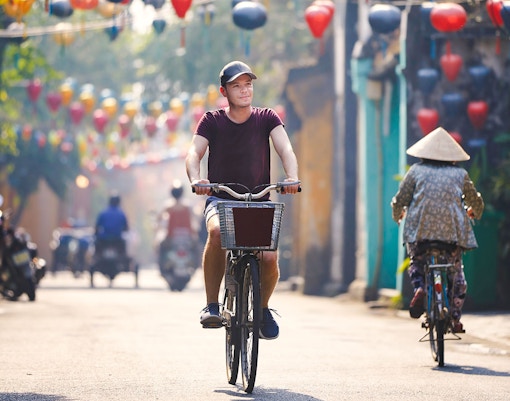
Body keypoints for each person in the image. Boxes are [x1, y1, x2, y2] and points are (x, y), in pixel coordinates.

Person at [185, 60, 300, 339]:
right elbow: (194, 153)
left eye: (248, 85)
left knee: (269, 257)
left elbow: (285, 147)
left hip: (259, 200)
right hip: (221, 200)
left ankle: (262, 310)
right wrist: (196, 180)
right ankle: (212, 304)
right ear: (224, 92)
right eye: (237, 86)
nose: (244, 90)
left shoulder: (267, 118)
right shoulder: (212, 121)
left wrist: (291, 177)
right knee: (216, 233)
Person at [391, 127, 484, 333]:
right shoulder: (460, 174)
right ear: (453, 157)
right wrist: (474, 213)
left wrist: (398, 214)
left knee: (417, 262)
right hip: (451, 235)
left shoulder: (416, 171)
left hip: (420, 232)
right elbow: (475, 201)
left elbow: (401, 199)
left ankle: (421, 288)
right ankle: (455, 317)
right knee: (456, 276)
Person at [158, 180, 198, 265]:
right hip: (188, 236)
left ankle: (162, 265)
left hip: (171, 236)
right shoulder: (188, 205)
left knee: (160, 245)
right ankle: (198, 264)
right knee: (197, 246)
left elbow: (160, 219)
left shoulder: (168, 205)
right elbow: (194, 219)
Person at [95, 192, 129, 258]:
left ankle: (96, 257)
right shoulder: (121, 214)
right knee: (123, 252)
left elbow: (97, 226)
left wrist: (96, 233)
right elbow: (126, 227)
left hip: (103, 240)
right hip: (117, 239)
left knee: (97, 250)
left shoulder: (103, 213)